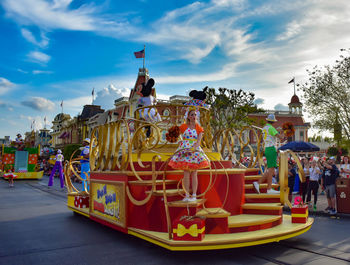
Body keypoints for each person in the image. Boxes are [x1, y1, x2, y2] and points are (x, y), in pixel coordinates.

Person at [168, 108, 210, 202]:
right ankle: (187, 194)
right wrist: (179, 142)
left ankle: (194, 195)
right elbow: (175, 134)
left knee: (194, 173)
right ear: (188, 116)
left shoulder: (198, 128)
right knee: (186, 173)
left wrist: (192, 149)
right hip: (184, 150)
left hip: (194, 151)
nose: (194, 116)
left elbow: (198, 142)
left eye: (195, 115)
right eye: (192, 115)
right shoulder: (183, 126)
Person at [253, 114, 285, 194]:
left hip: (267, 148)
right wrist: (284, 133)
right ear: (273, 122)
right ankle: (267, 188)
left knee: (271, 170)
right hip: (271, 149)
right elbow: (280, 137)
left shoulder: (264, 128)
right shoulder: (271, 128)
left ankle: (261, 184)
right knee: (271, 170)